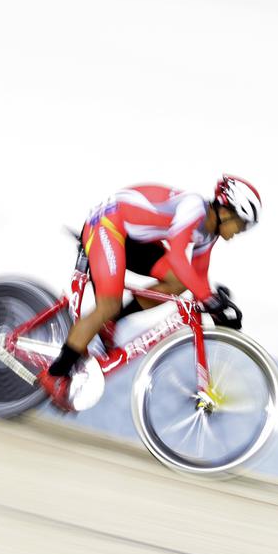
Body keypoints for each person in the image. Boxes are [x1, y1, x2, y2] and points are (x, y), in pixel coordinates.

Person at [38, 174, 262, 410]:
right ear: (226, 212)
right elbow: (176, 256)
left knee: (178, 282)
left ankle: (111, 322)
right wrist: (209, 299)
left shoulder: (208, 234)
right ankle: (54, 374)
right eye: (243, 224)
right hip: (108, 225)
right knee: (108, 305)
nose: (241, 231)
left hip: (133, 237)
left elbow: (197, 279)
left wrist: (216, 310)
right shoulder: (194, 207)